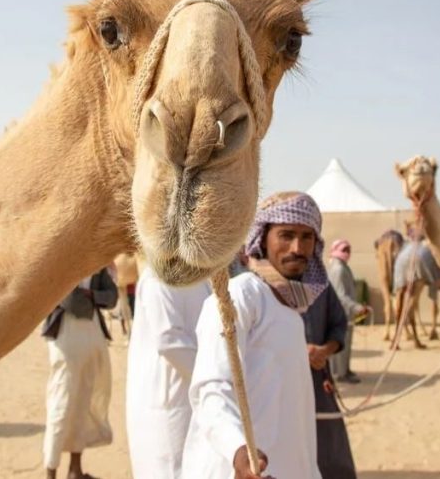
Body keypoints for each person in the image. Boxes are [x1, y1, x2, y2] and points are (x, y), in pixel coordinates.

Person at [182, 191, 328, 479]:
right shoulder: (241, 295)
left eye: (306, 237)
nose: (297, 248)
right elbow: (211, 389)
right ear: (262, 238)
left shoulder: (292, 309)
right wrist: (239, 451)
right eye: (286, 235)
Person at [126, 264, 211, 478]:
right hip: (167, 404)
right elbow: (169, 341)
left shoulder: (202, 278)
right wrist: (214, 376)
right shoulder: (158, 277)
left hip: (196, 397)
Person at [41, 268, 118, 479]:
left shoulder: (96, 263)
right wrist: (94, 300)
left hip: (91, 338)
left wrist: (92, 296)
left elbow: (112, 297)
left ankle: (75, 469)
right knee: (61, 405)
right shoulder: (62, 259)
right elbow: (71, 302)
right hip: (66, 339)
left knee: (84, 402)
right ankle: (51, 471)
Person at [302, 281, 359, 478]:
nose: (296, 248)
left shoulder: (320, 285)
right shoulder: (256, 290)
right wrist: (296, 352)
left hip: (319, 381)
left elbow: (338, 325)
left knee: (333, 456)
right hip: (276, 388)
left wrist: (324, 351)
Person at [326, 239, 370, 384]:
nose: (346, 253)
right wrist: (357, 307)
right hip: (340, 313)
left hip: (346, 314)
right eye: (343, 250)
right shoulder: (338, 269)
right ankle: (340, 374)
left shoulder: (342, 267)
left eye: (348, 250)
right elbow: (341, 295)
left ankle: (345, 370)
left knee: (346, 343)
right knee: (340, 345)